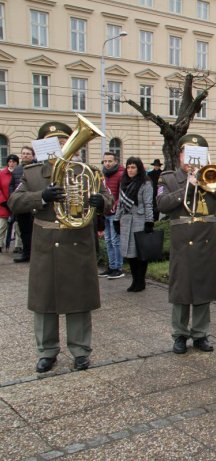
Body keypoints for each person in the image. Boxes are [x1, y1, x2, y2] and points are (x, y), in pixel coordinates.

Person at [8, 121, 112, 372]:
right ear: (44, 145)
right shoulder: (32, 173)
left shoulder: (86, 170)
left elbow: (108, 199)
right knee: (45, 301)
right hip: (47, 244)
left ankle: (80, 351)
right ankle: (47, 351)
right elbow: (14, 201)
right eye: (55, 142)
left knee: (79, 300)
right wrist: (41, 196)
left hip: (78, 243)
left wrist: (101, 201)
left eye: (66, 141)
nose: (62, 146)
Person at [157, 134, 216, 354]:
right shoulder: (168, 178)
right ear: (180, 155)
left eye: (197, 154)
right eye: (187, 153)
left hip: (206, 238)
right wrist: (186, 187)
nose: (191, 159)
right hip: (183, 239)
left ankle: (200, 334)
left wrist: (208, 179)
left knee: (203, 288)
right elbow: (162, 204)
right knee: (182, 290)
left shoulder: (209, 176)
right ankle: (179, 334)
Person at [113, 157, 154, 292]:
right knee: (129, 253)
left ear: (139, 168)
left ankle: (140, 281)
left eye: (133, 167)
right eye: (128, 167)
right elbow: (119, 203)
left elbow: (148, 204)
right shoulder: (124, 182)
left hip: (139, 220)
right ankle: (134, 280)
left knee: (139, 253)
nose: (130, 170)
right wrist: (116, 219)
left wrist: (149, 221)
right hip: (126, 220)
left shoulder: (145, 183)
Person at [100, 151, 125, 279]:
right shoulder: (104, 175)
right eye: (105, 161)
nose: (107, 164)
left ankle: (118, 268)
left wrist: (115, 204)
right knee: (108, 240)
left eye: (110, 161)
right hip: (106, 211)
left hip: (116, 212)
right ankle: (111, 266)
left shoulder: (121, 174)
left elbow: (121, 194)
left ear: (115, 162)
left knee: (116, 241)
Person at [11, 146, 36, 262]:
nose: (25, 155)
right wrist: (13, 199)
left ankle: (35, 254)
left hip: (33, 203)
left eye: (28, 154)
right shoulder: (17, 169)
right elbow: (12, 186)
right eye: (23, 153)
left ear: (33, 156)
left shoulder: (37, 168)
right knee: (24, 232)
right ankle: (26, 254)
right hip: (21, 205)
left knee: (34, 232)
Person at [0, 154, 18, 252]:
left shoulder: (19, 172)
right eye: (10, 161)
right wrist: (3, 201)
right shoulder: (2, 173)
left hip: (17, 203)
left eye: (14, 162)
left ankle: (18, 246)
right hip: (4, 204)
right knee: (2, 226)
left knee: (18, 227)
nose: (11, 164)